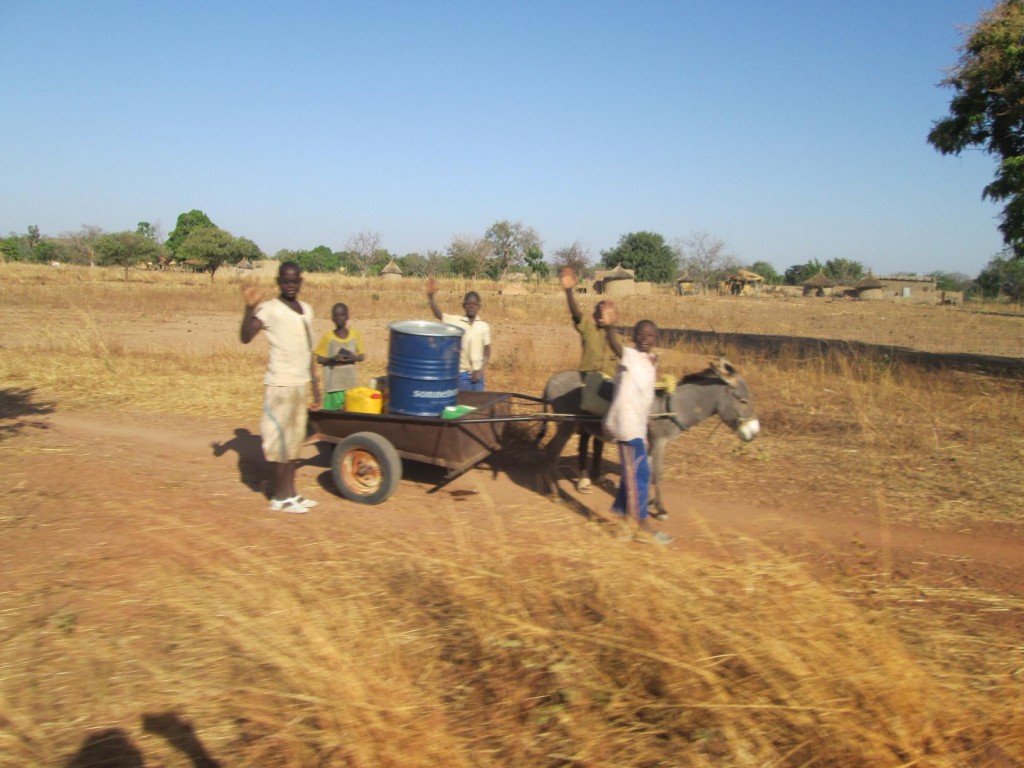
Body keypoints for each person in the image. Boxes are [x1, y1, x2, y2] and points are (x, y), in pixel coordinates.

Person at [240, 261, 320, 514]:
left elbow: (309, 351)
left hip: (300, 385)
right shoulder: (269, 309)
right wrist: (249, 307)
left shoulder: (306, 310)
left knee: (295, 442)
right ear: (278, 282)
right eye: (286, 281)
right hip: (280, 385)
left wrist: (316, 388)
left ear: (301, 282)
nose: (290, 285)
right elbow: (245, 337)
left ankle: (291, 493)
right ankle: (279, 496)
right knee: (281, 443)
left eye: (295, 280)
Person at [601, 315, 673, 544]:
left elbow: (644, 398)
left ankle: (623, 524)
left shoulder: (650, 360)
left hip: (637, 427)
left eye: (649, 335)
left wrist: (647, 429)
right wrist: (610, 325)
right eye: (640, 334)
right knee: (639, 475)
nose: (644, 338)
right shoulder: (629, 355)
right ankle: (642, 526)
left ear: (656, 338)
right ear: (633, 337)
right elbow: (614, 345)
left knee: (632, 475)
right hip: (625, 425)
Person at [560, 266, 620, 492]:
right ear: (594, 316)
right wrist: (568, 292)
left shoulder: (615, 338)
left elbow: (623, 358)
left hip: (607, 390)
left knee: (601, 434)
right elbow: (576, 314)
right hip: (589, 387)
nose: (601, 315)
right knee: (586, 432)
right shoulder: (589, 330)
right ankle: (584, 473)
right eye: (598, 312)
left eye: (607, 312)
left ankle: (597, 473)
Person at [426, 277, 491, 391]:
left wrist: (480, 370)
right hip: (462, 375)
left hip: (478, 374)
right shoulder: (457, 321)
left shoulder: (484, 326)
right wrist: (431, 298)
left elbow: (487, 351)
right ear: (463, 306)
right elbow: (439, 315)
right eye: (468, 304)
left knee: (479, 406)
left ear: (479, 307)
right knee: (464, 406)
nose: (471, 307)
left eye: (474, 304)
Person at [314, 302, 364, 410]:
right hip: (333, 387)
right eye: (336, 315)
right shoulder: (328, 337)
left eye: (342, 315)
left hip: (350, 386)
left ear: (347, 316)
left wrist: (353, 358)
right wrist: (332, 359)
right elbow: (319, 359)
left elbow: (362, 357)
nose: (339, 318)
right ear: (332, 318)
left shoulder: (354, 335)